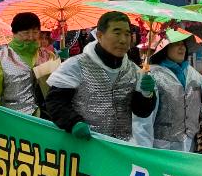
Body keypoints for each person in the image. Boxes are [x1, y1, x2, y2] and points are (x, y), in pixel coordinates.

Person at [46, 11, 157, 142]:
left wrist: (146, 95)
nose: (123, 40)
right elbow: (55, 101)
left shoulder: (134, 70)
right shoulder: (76, 65)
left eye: (127, 34)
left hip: (120, 149)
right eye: (117, 33)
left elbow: (141, 112)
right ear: (99, 35)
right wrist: (73, 122)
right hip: (83, 146)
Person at [136, 30, 202, 152]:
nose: (181, 47)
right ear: (164, 48)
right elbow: (143, 119)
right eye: (176, 43)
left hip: (192, 146)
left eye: (183, 43)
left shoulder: (194, 74)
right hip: (162, 148)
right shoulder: (151, 75)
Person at [0, 12, 45, 115]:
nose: (31, 37)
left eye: (35, 32)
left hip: (45, 121)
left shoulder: (48, 56)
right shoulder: (1, 58)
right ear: (14, 33)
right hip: (13, 118)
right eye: (26, 33)